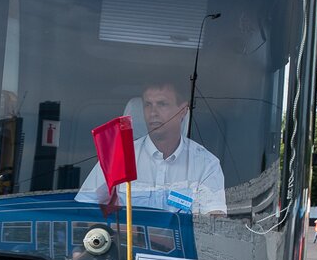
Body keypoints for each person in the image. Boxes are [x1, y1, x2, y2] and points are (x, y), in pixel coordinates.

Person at [76, 80, 226, 215]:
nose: (153, 113)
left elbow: (214, 227)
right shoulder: (119, 156)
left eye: (162, 104)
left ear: (183, 111)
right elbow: (83, 212)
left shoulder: (206, 164)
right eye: (148, 105)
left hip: (184, 246)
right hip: (125, 245)